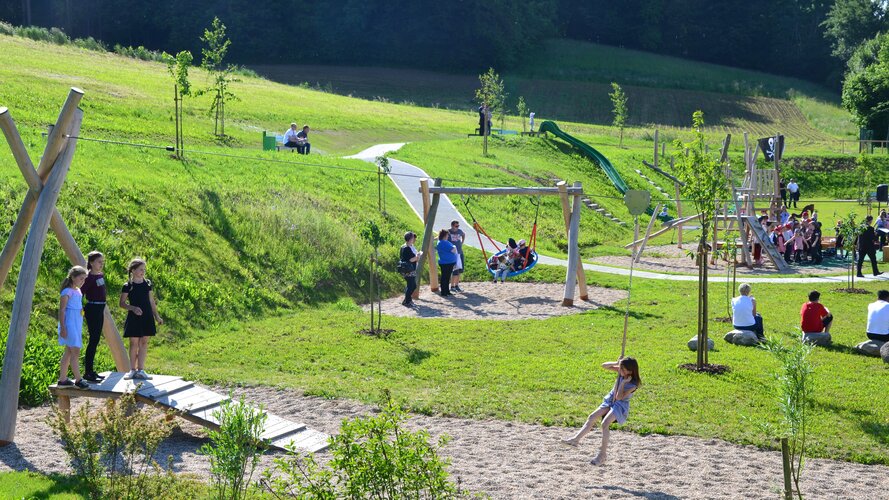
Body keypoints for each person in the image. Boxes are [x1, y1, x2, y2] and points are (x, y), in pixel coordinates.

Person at [561, 357, 641, 466]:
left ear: (630, 371)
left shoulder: (633, 385)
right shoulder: (621, 372)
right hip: (610, 400)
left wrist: (623, 383)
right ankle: (575, 440)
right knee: (592, 417)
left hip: (619, 405)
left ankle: (602, 455)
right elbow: (604, 365)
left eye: (623, 369)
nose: (620, 370)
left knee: (605, 424)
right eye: (620, 368)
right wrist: (617, 363)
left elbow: (619, 397)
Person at [120, 258, 163, 380]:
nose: (143, 272)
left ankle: (141, 370)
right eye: (140, 269)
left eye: (144, 270)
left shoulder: (147, 284)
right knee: (133, 343)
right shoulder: (128, 286)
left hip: (147, 316)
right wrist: (133, 308)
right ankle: (132, 370)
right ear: (133, 270)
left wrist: (157, 316)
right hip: (134, 317)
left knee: (144, 343)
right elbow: (122, 303)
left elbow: (151, 301)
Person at [57, 266, 90, 390]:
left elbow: (77, 305)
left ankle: (63, 379)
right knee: (75, 351)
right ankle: (78, 379)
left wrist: (81, 311)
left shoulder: (78, 291)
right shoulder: (67, 292)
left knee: (69, 351)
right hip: (69, 324)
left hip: (76, 323)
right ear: (73, 277)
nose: (83, 281)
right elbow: (62, 310)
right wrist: (63, 328)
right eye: (81, 279)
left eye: (84, 279)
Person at [80, 251, 107, 383]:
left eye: (102, 262)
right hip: (93, 308)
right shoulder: (89, 277)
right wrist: (81, 308)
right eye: (99, 262)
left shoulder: (100, 275)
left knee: (96, 340)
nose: (101, 264)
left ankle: (91, 370)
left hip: (100, 308)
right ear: (91, 263)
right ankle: (87, 372)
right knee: (93, 339)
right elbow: (80, 292)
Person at [399, 232, 421, 307]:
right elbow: (411, 259)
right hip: (408, 269)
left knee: (412, 285)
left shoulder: (404, 246)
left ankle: (407, 299)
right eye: (412, 238)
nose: (413, 239)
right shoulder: (407, 248)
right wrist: (417, 256)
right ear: (410, 239)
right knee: (411, 286)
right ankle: (407, 301)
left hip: (408, 269)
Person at [436, 229, 458, 296]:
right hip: (446, 263)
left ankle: (446, 291)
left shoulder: (442, 242)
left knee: (447, 277)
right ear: (445, 235)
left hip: (447, 262)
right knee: (445, 277)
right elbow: (453, 250)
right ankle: (444, 292)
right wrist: (454, 246)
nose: (448, 236)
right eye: (447, 235)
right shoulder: (443, 242)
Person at [448, 220, 466, 292]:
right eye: (456, 226)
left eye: (458, 226)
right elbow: (440, 236)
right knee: (454, 270)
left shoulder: (459, 231)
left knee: (459, 270)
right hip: (453, 254)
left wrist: (462, 242)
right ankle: (452, 286)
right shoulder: (448, 232)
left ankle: (457, 285)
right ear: (452, 226)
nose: (457, 227)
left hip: (460, 252)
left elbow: (463, 234)